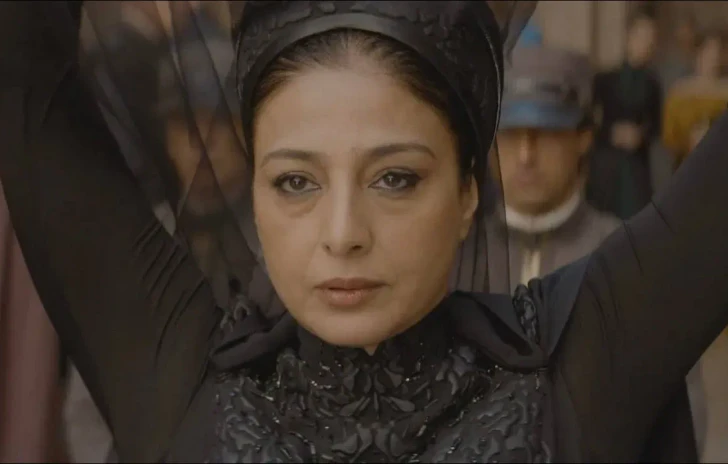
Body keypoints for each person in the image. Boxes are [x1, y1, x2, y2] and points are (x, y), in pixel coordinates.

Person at [3, 2, 728, 463]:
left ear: (468, 192)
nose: (343, 233)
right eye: (296, 182)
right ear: (254, 193)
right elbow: (21, 72)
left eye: (395, 178)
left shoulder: (578, 365)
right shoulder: (179, 379)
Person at [494, 44, 699, 462]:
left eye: (545, 134)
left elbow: (680, 415)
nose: (526, 155)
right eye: (511, 135)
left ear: (584, 136)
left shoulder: (629, 260)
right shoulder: (451, 255)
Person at [587, 14, 662, 220]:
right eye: (642, 36)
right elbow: (588, 122)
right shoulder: (604, 79)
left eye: (651, 39)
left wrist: (640, 136)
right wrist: (611, 133)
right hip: (606, 163)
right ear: (629, 38)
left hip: (637, 168)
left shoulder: (653, 84)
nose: (646, 44)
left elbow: (657, 127)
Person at [663, 32, 728, 170]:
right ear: (698, 55)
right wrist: (690, 141)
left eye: (717, 53)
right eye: (709, 53)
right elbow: (670, 137)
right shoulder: (680, 92)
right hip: (688, 166)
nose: (714, 59)